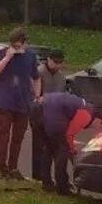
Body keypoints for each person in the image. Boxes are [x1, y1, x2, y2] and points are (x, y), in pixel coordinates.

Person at [31, 91, 102, 195]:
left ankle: (46, 183)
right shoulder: (87, 114)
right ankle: (62, 187)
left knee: (49, 148)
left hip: (38, 108)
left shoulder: (84, 106)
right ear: (100, 121)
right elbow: (69, 135)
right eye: (100, 129)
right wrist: (72, 151)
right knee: (62, 151)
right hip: (51, 112)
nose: (95, 132)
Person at [0, 27, 39, 180]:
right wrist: (7, 58)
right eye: (13, 45)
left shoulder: (30, 56)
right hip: (6, 102)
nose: (16, 48)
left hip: (24, 103)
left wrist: (36, 95)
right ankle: (1, 167)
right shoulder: (3, 53)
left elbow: (36, 77)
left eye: (19, 46)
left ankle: (13, 167)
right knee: (4, 135)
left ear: (25, 43)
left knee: (18, 137)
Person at [31, 50, 66, 181]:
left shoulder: (61, 77)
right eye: (55, 62)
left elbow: (61, 95)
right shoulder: (39, 72)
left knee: (50, 146)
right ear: (49, 60)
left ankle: (45, 175)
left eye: (60, 63)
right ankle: (36, 174)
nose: (57, 65)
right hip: (39, 112)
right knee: (38, 145)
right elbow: (34, 93)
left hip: (54, 114)